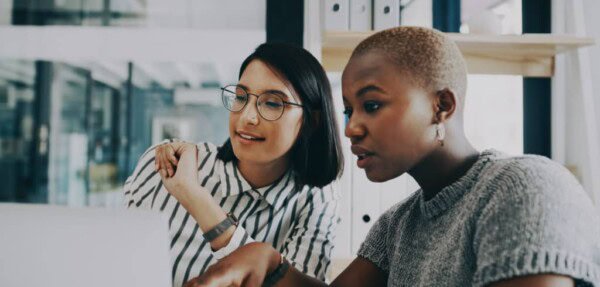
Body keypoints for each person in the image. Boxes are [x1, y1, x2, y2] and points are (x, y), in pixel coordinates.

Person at [185, 27, 600, 287]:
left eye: (372, 105)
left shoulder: (523, 185)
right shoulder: (397, 225)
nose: (350, 127)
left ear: (442, 106)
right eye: (348, 110)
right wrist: (267, 262)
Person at [123, 42, 344, 287]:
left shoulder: (315, 199)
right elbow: (117, 263)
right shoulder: (167, 162)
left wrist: (195, 198)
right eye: (241, 97)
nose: (247, 117)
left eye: (272, 103)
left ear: (311, 120)